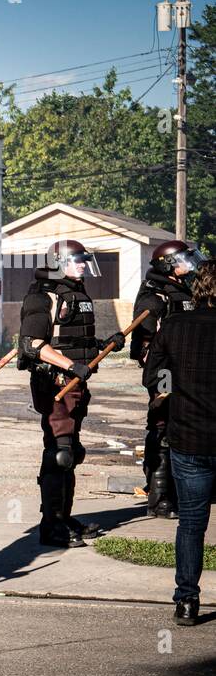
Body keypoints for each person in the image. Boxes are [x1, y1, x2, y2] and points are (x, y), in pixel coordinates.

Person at [17, 240, 121, 548]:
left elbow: (71, 339)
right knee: (59, 453)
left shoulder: (76, 292)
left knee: (71, 452)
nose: (84, 265)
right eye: (77, 260)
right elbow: (32, 344)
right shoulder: (42, 297)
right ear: (58, 261)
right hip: (55, 385)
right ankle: (51, 526)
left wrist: (102, 345)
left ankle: (64, 517)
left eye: (84, 260)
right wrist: (70, 365)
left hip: (75, 383)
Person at [143, 259, 216, 626]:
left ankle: (186, 601)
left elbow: (154, 377)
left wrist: (172, 393)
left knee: (191, 524)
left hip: (188, 437)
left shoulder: (174, 326)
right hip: (196, 438)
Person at [131, 240, 204, 518]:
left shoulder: (185, 289)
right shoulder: (155, 295)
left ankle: (181, 490)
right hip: (164, 371)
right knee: (163, 426)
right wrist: (163, 378)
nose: (190, 263)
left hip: (186, 371)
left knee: (184, 427)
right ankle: (159, 497)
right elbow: (145, 344)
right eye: (184, 258)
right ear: (169, 265)